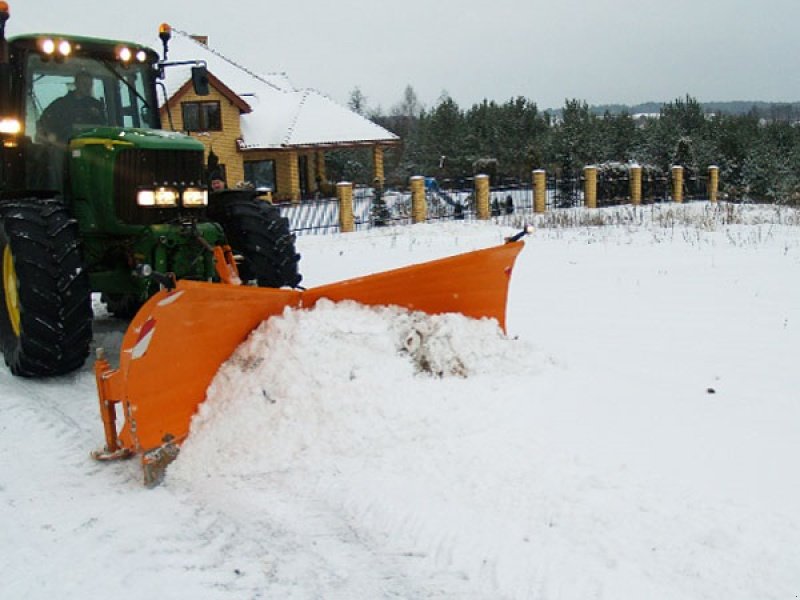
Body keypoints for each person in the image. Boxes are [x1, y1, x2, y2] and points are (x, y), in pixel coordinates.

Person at [37, 69, 106, 145]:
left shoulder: (97, 105)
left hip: (90, 146)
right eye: (84, 84)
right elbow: (43, 122)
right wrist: (52, 138)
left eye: (90, 85)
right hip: (63, 147)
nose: (88, 87)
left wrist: (98, 116)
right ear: (76, 84)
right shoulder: (61, 104)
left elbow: (105, 127)